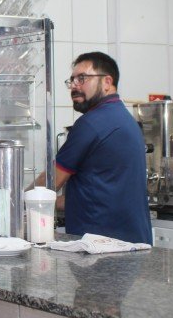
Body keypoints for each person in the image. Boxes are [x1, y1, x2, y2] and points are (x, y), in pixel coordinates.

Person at [44, 51, 152, 244]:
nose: (75, 85)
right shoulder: (126, 120)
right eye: (72, 80)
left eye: (82, 78)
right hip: (133, 242)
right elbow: (103, 194)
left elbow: (49, 183)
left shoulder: (91, 124)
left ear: (107, 82)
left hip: (101, 246)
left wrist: (12, 203)